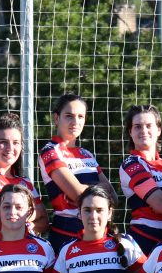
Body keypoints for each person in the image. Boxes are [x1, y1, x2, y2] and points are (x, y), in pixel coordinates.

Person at [38, 93, 116, 252]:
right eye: (69, 116)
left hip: (98, 231)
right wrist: (98, 189)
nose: (75, 122)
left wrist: (85, 189)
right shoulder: (50, 151)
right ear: (56, 118)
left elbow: (113, 196)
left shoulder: (87, 154)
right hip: (66, 232)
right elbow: (78, 194)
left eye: (81, 116)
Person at [0, 114, 49, 239]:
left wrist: (30, 222)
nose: (10, 148)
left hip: (26, 246)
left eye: (16, 143)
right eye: (3, 142)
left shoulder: (25, 182)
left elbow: (44, 221)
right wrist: (32, 219)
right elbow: (5, 212)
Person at [119, 104, 162, 254]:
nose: (143, 131)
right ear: (130, 132)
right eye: (137, 127)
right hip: (145, 242)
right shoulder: (131, 163)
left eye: (149, 126)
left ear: (159, 130)